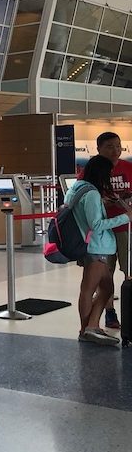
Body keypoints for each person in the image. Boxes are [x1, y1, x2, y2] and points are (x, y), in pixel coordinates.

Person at [66, 155, 132, 345]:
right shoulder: (92, 193)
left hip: (91, 245)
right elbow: (95, 223)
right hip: (96, 246)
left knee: (105, 287)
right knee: (90, 288)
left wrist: (103, 204)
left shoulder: (78, 188)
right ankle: (86, 329)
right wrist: (126, 217)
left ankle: (90, 327)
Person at [90, 132, 132, 329]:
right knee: (105, 275)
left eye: (118, 146)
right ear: (98, 149)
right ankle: (109, 313)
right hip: (103, 231)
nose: (115, 150)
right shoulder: (93, 171)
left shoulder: (127, 168)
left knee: (129, 271)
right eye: (109, 146)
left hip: (126, 228)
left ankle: (129, 312)